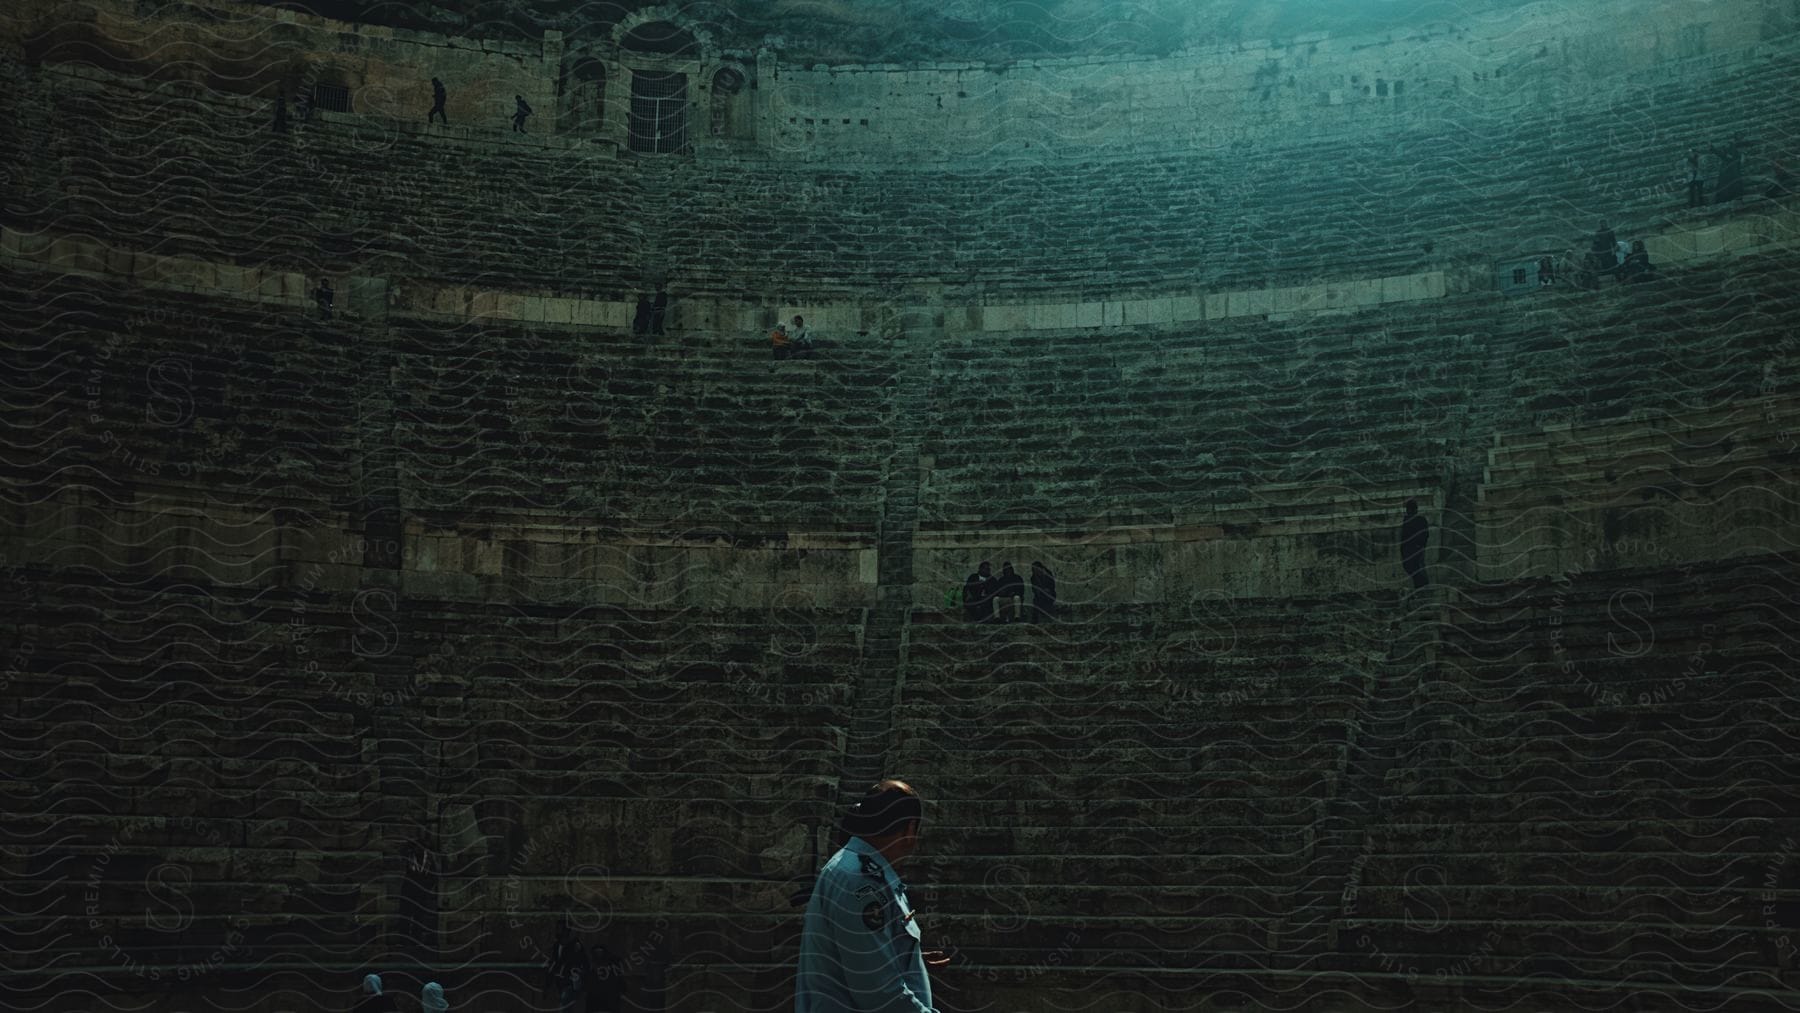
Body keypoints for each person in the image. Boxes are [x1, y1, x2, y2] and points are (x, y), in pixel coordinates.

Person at [796, 780, 949, 1013]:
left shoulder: (859, 869)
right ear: (909, 830)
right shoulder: (861, 882)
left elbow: (861, 957)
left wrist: (909, 961)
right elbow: (879, 994)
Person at [585, 943, 629, 1013]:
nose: (599, 953)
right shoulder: (591, 966)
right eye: (597, 952)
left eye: (600, 951)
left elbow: (619, 978)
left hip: (609, 999)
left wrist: (622, 989)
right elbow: (588, 982)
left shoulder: (612, 963)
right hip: (596, 1000)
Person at [1400, 499, 1430, 590]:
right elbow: (1426, 535)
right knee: (1416, 567)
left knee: (1414, 567)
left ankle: (1422, 585)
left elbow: (1404, 537)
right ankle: (1422, 585)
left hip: (1411, 548)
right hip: (1416, 548)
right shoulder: (1421, 520)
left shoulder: (1410, 520)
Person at [1711, 138, 1744, 203]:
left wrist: (1713, 149)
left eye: (1726, 144)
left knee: (1730, 186)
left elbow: (1725, 156)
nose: (1725, 145)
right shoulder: (1730, 151)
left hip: (1731, 172)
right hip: (1729, 172)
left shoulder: (1733, 152)